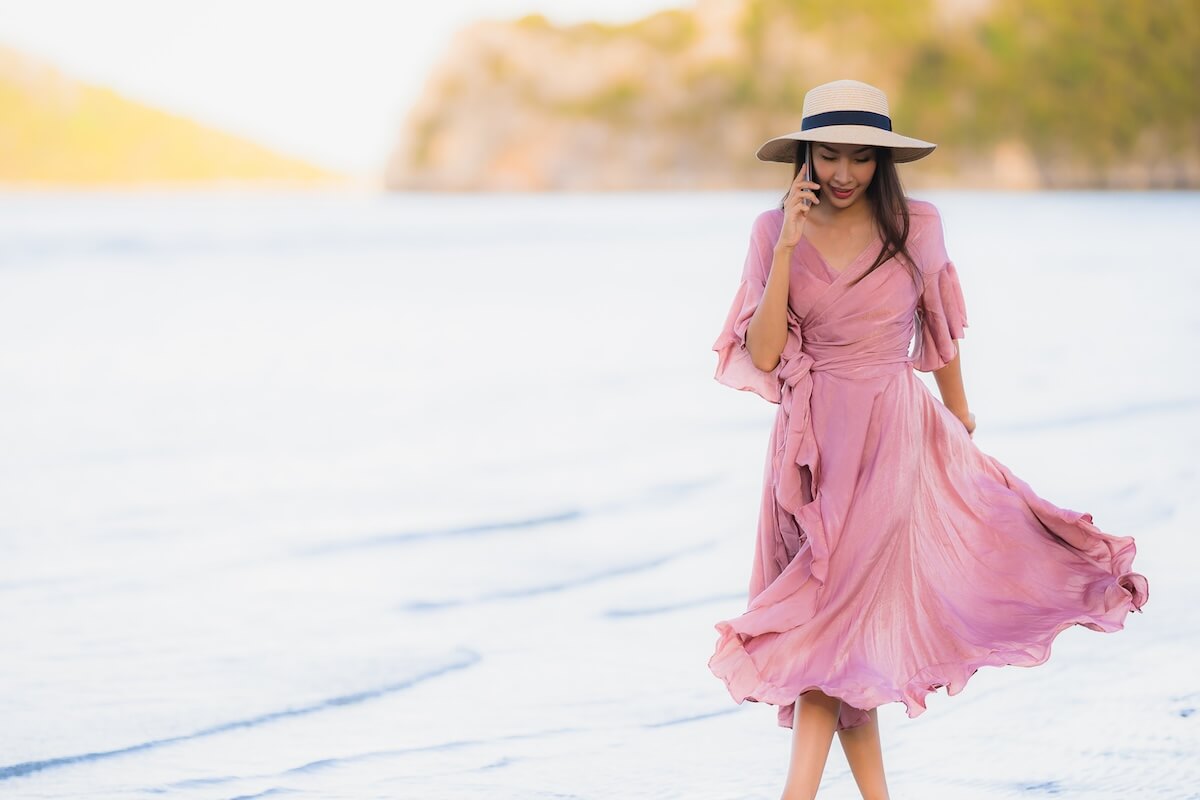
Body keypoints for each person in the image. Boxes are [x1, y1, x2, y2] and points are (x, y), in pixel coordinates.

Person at [706, 79, 1149, 800]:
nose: (843, 174)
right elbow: (760, 356)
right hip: (807, 450)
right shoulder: (769, 230)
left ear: (884, 161)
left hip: (894, 437)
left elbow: (938, 334)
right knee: (841, 627)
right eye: (828, 156)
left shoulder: (920, 225)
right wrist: (787, 247)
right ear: (806, 157)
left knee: (829, 619)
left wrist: (962, 417)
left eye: (860, 158)